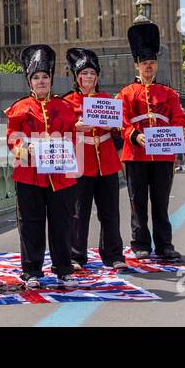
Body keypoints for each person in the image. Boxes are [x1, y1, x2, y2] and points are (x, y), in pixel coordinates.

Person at [6, 44, 79, 289]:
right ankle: (32, 271)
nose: (40, 81)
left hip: (60, 176)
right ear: (29, 82)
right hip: (29, 175)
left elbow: (73, 138)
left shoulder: (65, 107)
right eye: (36, 78)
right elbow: (12, 139)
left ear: (51, 80)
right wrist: (23, 150)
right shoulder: (19, 108)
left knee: (62, 223)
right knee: (30, 223)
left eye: (44, 77)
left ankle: (63, 268)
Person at [118, 22, 185, 262]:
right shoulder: (125, 93)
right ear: (136, 65)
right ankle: (140, 244)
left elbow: (180, 120)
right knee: (137, 203)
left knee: (160, 202)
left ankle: (164, 244)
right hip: (135, 155)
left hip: (162, 157)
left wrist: (182, 132)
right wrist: (134, 135)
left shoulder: (169, 94)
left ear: (156, 65)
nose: (148, 67)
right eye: (144, 63)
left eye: (152, 63)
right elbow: (121, 122)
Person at [63, 47, 126, 270]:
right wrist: (75, 127)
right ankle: (76, 256)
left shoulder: (107, 99)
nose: (88, 77)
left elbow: (121, 129)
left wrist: (116, 125)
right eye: (84, 74)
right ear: (77, 77)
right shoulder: (67, 102)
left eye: (92, 73)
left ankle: (114, 254)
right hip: (81, 162)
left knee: (110, 212)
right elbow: (60, 131)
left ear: (97, 77)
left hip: (107, 160)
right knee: (79, 213)